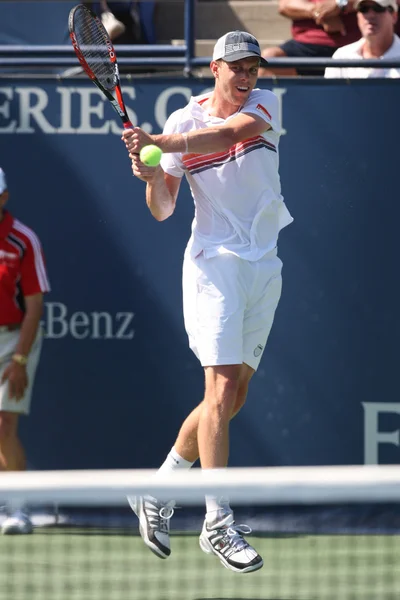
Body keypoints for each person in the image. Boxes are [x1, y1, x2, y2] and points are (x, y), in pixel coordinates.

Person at [122, 30, 293, 573]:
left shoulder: (262, 105)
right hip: (213, 264)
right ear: (214, 68)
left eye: (253, 69)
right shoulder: (181, 120)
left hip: (264, 264)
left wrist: (160, 147)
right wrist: (152, 176)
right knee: (218, 389)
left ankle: (159, 488)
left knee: (234, 395)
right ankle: (216, 522)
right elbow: (163, 209)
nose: (247, 78)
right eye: (237, 68)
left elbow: (230, 136)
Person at [0, 167, 50, 535]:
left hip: (12, 341)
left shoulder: (22, 239)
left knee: (3, 425)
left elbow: (34, 306)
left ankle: (17, 508)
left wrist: (19, 359)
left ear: (3, 198)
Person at [259, 0, 361, 76]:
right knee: (269, 59)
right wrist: (321, 13)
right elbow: (285, 5)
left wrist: (341, 4)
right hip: (307, 46)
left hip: (355, 44)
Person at [324, 0, 400, 76]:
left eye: (378, 8)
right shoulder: (342, 57)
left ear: (394, 16)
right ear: (357, 16)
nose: (370, 15)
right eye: (364, 9)